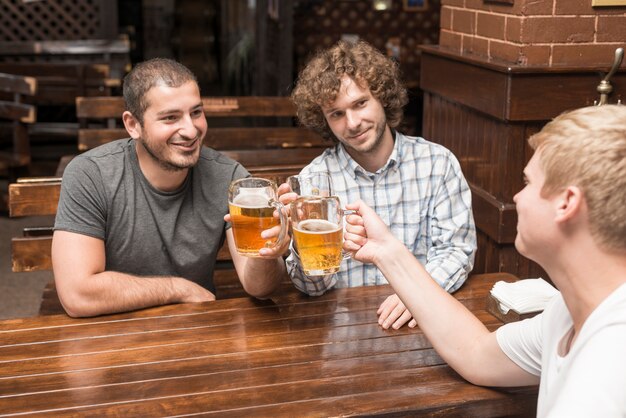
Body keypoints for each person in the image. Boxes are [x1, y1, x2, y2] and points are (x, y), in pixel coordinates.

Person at [343, 104, 626, 416]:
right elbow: (476, 354)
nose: (518, 197)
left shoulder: (608, 366)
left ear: (566, 204)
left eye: (529, 183)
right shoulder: (569, 313)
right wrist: (385, 250)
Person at [52, 58, 288, 317]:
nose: (190, 130)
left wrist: (266, 254)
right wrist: (178, 289)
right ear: (133, 125)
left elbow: (259, 288)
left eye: (196, 112)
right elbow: (77, 294)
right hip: (111, 330)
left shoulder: (230, 178)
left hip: (194, 329)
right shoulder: (91, 174)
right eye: (170, 118)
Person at [284, 40, 476, 329]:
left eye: (360, 103)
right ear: (324, 120)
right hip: (344, 331)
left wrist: (416, 295)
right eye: (336, 113)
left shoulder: (437, 163)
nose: (352, 123)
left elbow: (457, 250)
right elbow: (313, 288)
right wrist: (300, 243)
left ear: (383, 97)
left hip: (421, 325)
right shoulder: (314, 181)